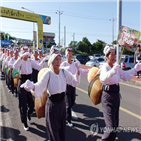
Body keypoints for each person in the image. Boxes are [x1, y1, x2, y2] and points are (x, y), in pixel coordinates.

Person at [20, 53, 80, 141]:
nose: (58, 61)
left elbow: (74, 82)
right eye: (56, 59)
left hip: (62, 104)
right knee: (53, 131)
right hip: (52, 105)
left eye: (59, 59)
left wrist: (78, 71)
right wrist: (32, 86)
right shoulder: (48, 73)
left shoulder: (63, 71)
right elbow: (40, 86)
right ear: (51, 61)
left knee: (62, 130)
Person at [100, 45, 141, 141]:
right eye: (112, 54)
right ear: (106, 56)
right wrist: (111, 72)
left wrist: (135, 69)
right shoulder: (104, 67)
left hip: (116, 96)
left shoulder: (116, 67)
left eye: (115, 54)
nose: (114, 57)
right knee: (110, 126)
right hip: (107, 97)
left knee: (115, 125)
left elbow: (125, 76)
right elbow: (103, 79)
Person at [13, 46, 45, 131]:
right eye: (24, 54)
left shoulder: (31, 61)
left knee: (31, 103)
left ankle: (28, 114)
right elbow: (14, 66)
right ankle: (24, 122)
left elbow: (38, 67)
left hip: (29, 81)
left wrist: (43, 61)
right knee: (23, 103)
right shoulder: (20, 61)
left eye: (27, 54)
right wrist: (20, 58)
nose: (26, 56)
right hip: (22, 80)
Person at [60, 47, 89, 127]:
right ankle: (68, 120)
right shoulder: (64, 64)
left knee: (72, 101)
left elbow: (80, 72)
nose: (70, 55)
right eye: (68, 54)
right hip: (66, 86)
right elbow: (61, 71)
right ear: (66, 55)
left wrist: (88, 70)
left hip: (73, 86)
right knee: (68, 104)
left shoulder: (74, 63)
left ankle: (65, 112)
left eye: (71, 54)